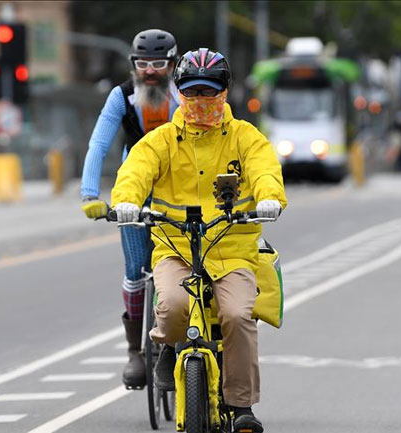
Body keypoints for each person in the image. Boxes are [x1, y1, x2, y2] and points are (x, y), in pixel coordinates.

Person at [111, 48, 287, 432]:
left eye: (209, 92)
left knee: (237, 315)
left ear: (225, 92)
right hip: (175, 250)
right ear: (179, 92)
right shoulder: (161, 140)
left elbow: (264, 169)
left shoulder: (245, 137)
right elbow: (135, 171)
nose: (200, 100)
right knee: (171, 306)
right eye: (192, 92)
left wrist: (270, 197)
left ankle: (241, 406)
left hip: (232, 251)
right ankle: (166, 348)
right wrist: (125, 202)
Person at [79, 29, 180, 389]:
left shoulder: (184, 95)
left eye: (158, 63)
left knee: (190, 267)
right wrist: (90, 194)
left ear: (173, 64)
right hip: (134, 192)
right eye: (142, 64)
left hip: (179, 191)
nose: (150, 71)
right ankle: (135, 351)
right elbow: (98, 144)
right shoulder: (121, 97)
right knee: (136, 272)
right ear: (132, 65)